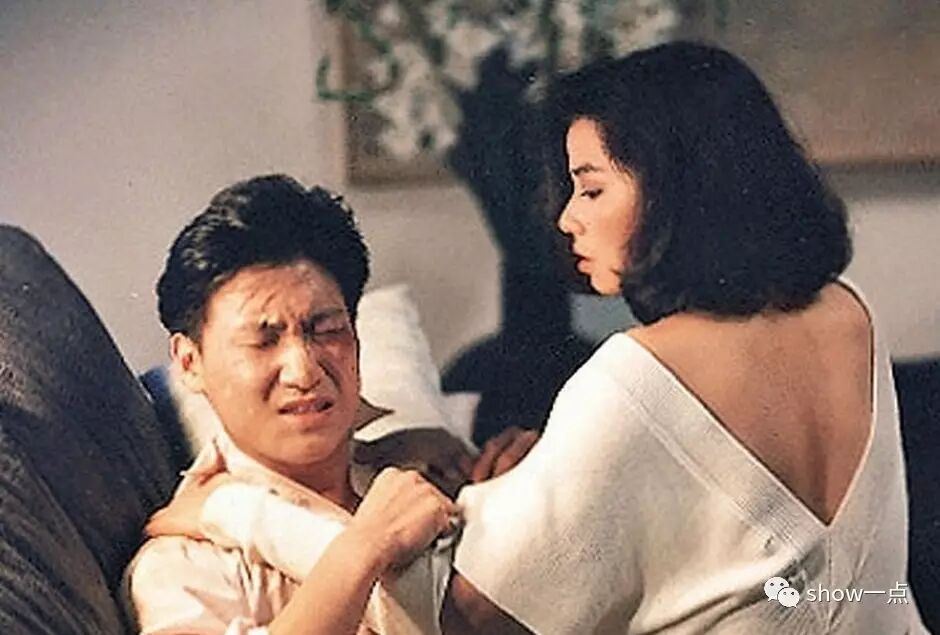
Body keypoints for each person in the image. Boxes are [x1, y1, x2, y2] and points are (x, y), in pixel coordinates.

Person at [147, 42, 929, 633]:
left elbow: (455, 613)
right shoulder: (847, 315)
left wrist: (238, 512)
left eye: (591, 188)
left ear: (674, 188)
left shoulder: (636, 377)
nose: (567, 218)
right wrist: (522, 487)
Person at [124, 175, 538, 635]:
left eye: (326, 330)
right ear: (189, 362)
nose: (304, 372)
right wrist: (364, 549)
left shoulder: (427, 467)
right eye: (263, 341)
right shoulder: (184, 564)